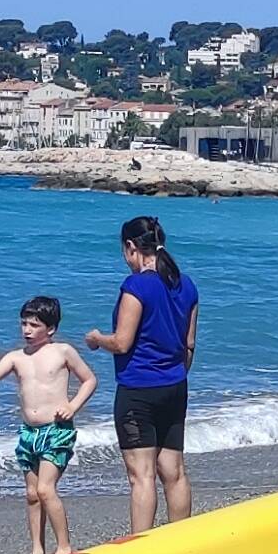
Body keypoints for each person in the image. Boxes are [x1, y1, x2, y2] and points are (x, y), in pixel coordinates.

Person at [84, 215, 197, 532]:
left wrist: (97, 339)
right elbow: (189, 345)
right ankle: (182, 539)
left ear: (131, 247)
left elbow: (122, 342)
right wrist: (174, 374)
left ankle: (142, 545)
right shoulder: (185, 284)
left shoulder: (136, 286)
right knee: (174, 471)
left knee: (142, 475)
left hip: (139, 390)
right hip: (175, 386)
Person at [0, 293, 98, 554]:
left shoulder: (62, 352)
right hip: (29, 433)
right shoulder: (16, 357)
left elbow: (90, 380)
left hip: (56, 429)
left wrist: (73, 406)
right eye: (24, 324)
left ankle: (64, 547)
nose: (27, 330)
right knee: (33, 495)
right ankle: (37, 550)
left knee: (46, 489)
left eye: (34, 325)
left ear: (51, 328)